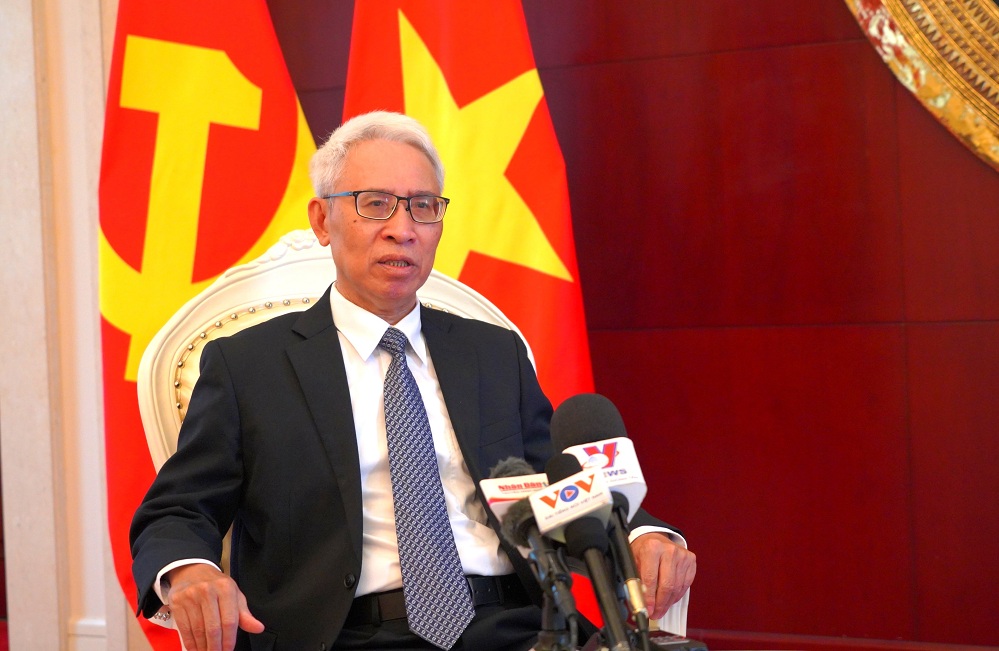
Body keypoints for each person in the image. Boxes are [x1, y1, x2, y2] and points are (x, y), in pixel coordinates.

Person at [130, 111, 696, 651]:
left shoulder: (492, 354)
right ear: (323, 220)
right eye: (375, 204)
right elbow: (179, 509)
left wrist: (643, 535)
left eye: (423, 207)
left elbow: (560, 481)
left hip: (514, 628)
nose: (402, 230)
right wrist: (191, 571)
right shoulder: (249, 365)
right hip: (344, 634)